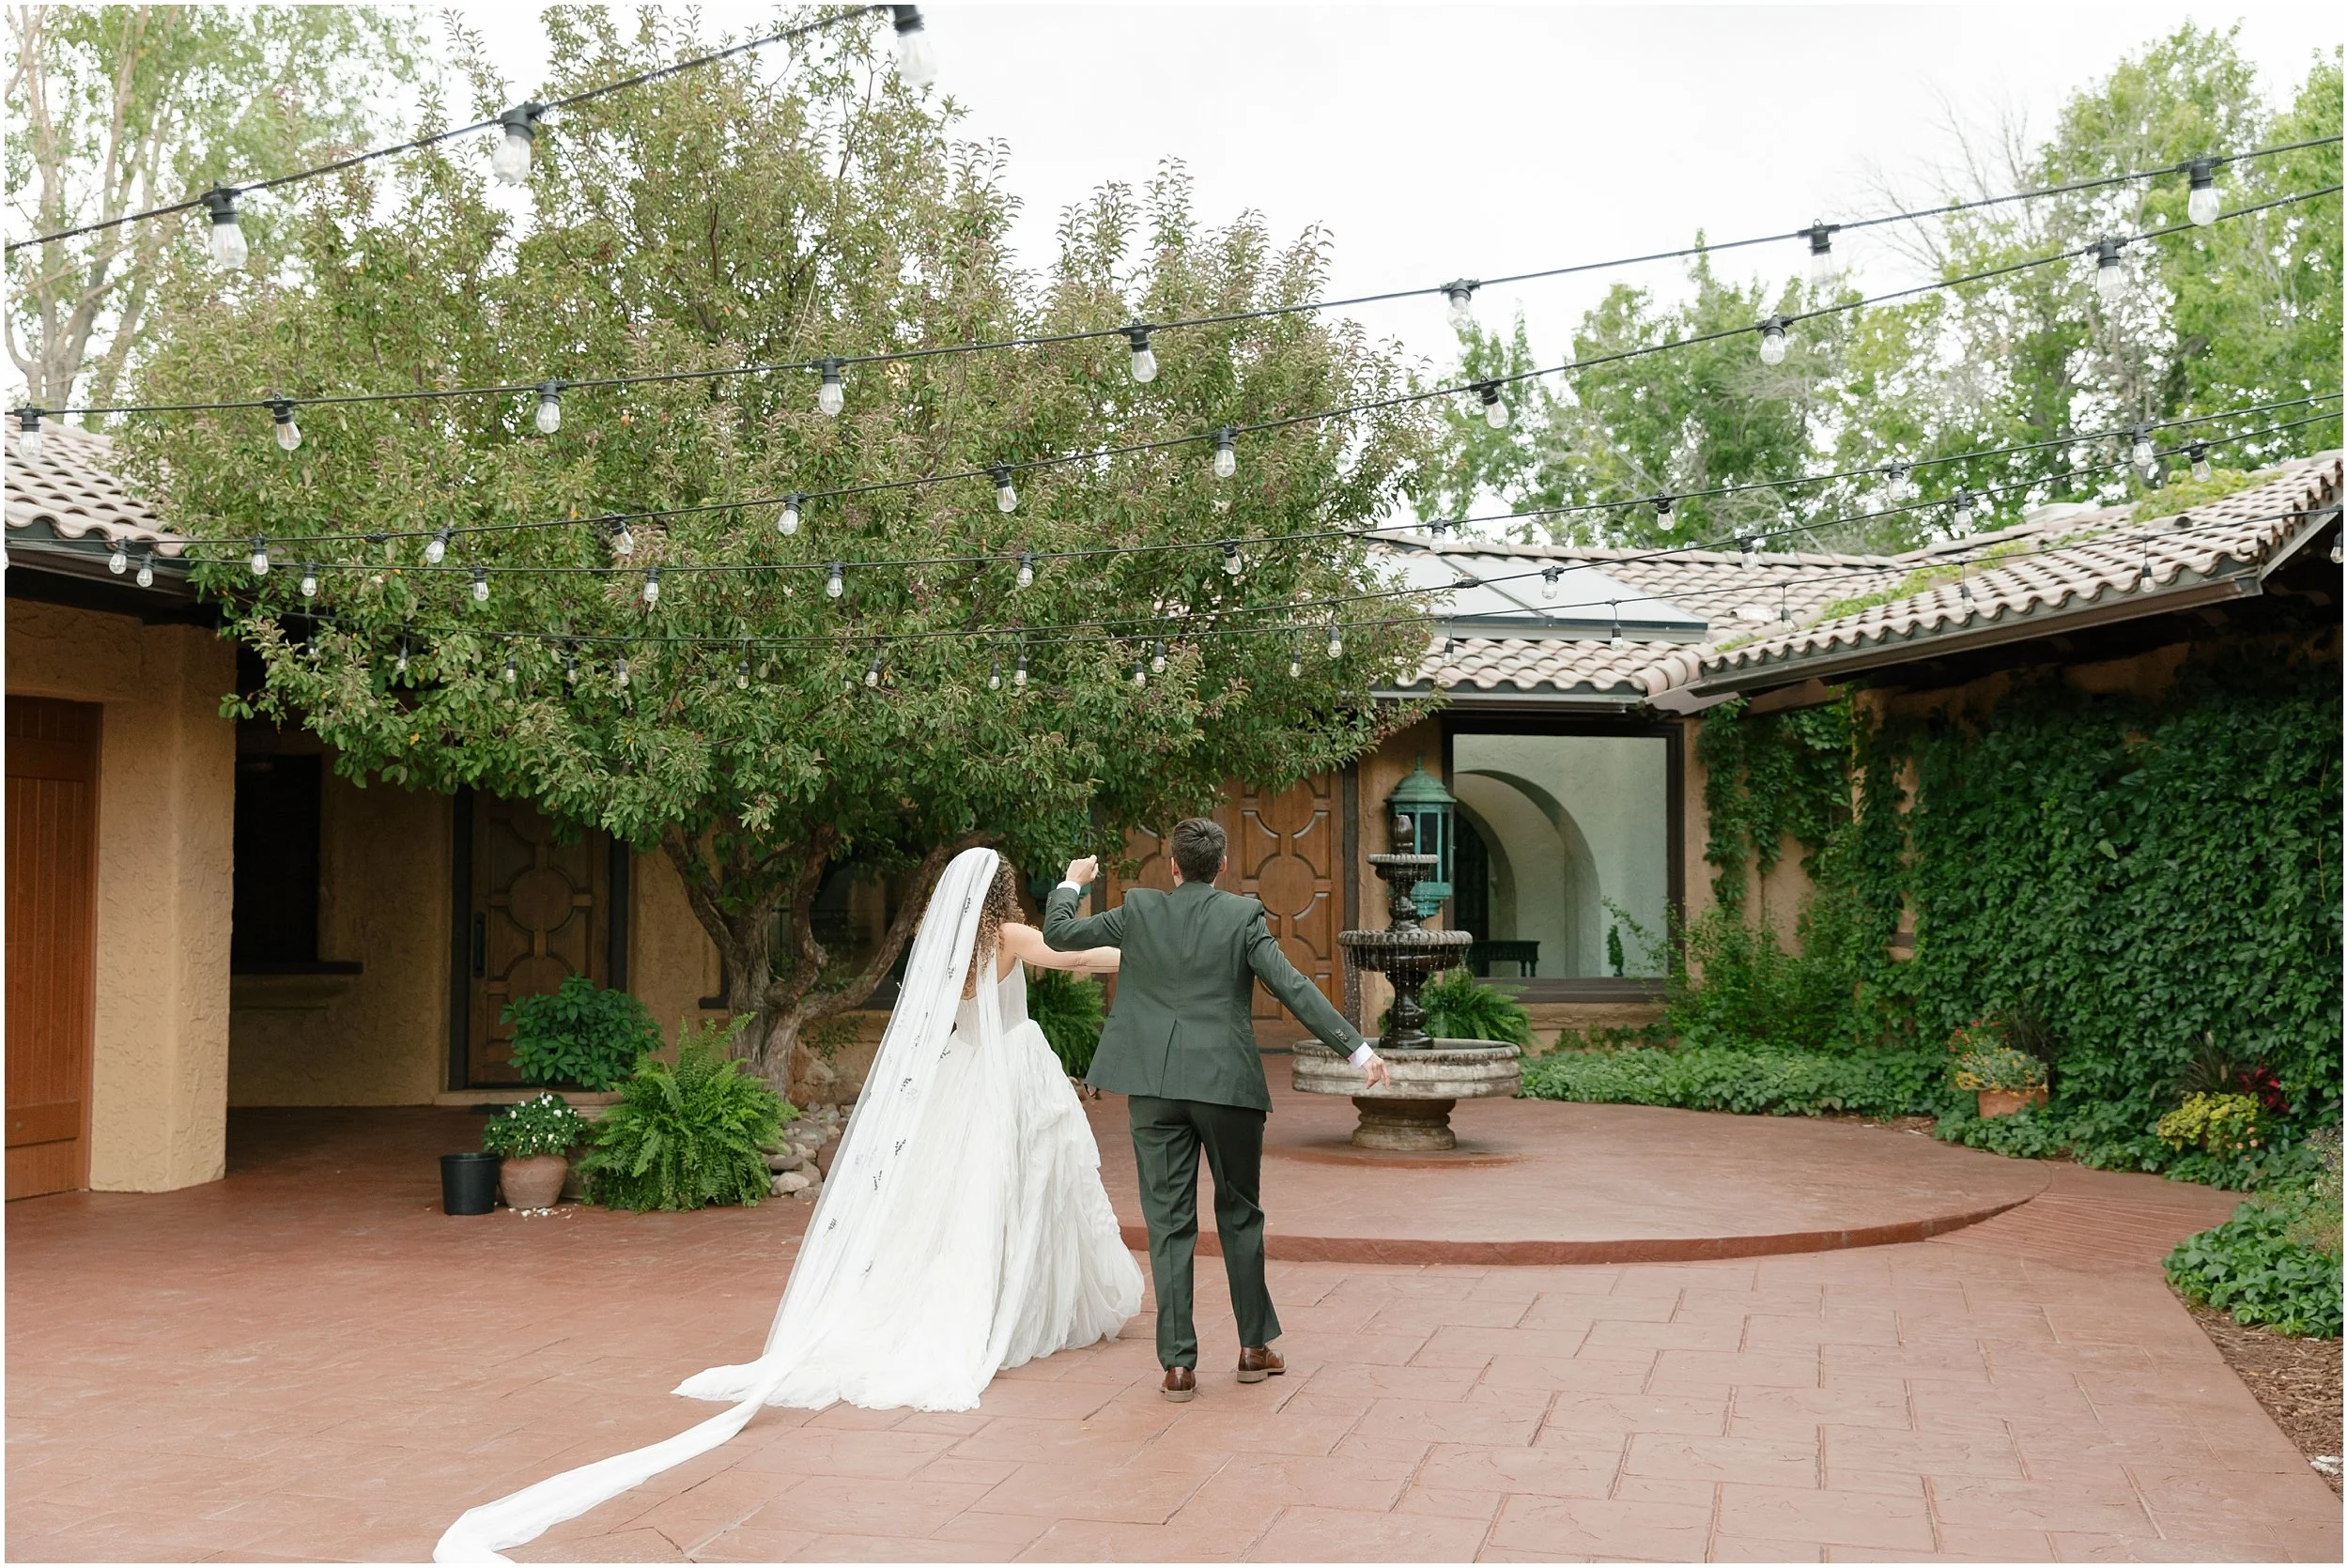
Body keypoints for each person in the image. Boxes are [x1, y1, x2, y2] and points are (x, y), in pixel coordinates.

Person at [435, 848, 1141, 1563]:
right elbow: (1079, 953)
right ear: (1003, 893)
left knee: (952, 1210)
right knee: (1019, 1197)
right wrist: (1121, 917)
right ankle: (1004, 1307)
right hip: (1011, 1079)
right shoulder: (1008, 938)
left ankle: (977, 1301)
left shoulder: (947, 945)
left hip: (958, 1084)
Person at [1043, 817, 1388, 1404]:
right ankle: (1254, 1348)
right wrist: (1356, 1049)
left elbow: (1058, 933)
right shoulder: (1241, 915)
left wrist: (1073, 882)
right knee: (1240, 1212)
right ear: (1222, 865)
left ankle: (1178, 1365)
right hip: (1226, 1085)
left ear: (1173, 866)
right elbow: (1291, 985)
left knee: (1168, 1224)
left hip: (1153, 1086)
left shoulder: (1139, 910)